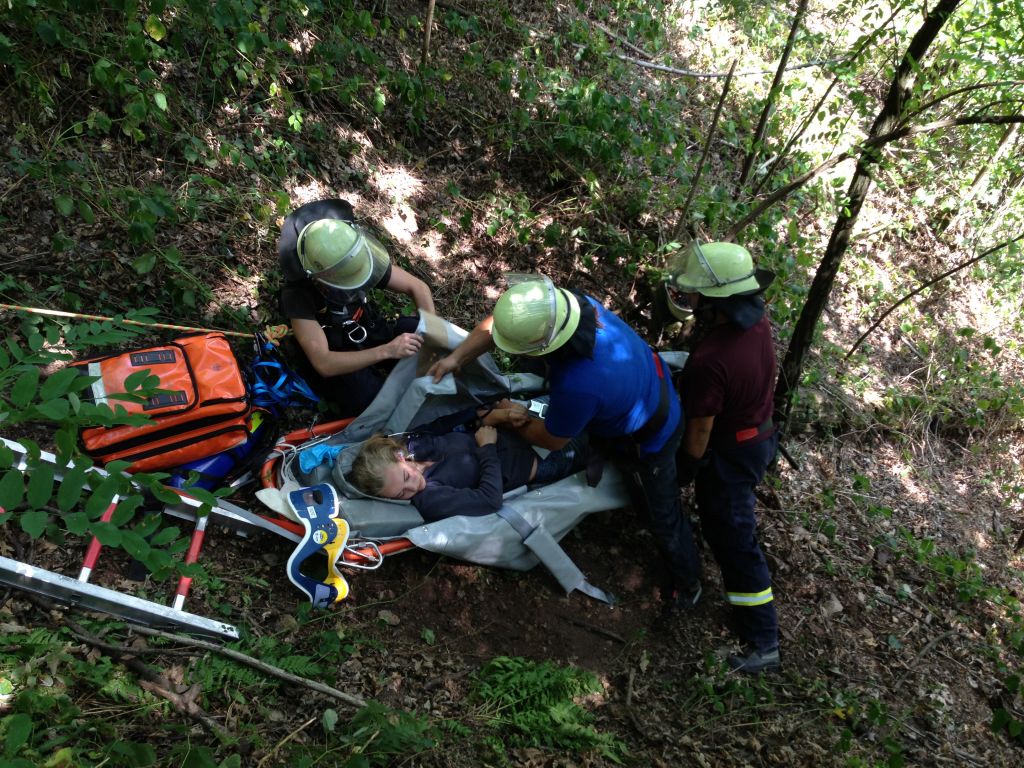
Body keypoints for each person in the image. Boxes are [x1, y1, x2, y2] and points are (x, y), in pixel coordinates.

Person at [426, 275, 702, 610]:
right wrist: (457, 357)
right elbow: (501, 324)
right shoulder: (567, 308)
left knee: (661, 512)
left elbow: (551, 440)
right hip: (645, 389)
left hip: (652, 435)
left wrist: (512, 418)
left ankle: (688, 585)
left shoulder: (580, 385)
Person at [667, 241, 781, 674]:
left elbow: (699, 432)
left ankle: (763, 641)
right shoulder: (756, 322)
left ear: (716, 300)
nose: (689, 298)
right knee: (729, 526)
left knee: (734, 537)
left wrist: (684, 469)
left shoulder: (711, 359)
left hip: (734, 452)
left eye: (696, 293)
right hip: (758, 435)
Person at [277, 198, 435, 416]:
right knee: (375, 403)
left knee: (418, 334)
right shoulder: (298, 295)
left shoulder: (354, 257)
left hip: (368, 330)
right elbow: (324, 362)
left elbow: (417, 287)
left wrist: (432, 334)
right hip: (338, 354)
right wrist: (387, 351)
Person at [348, 401, 587, 522]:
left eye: (406, 477)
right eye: (401, 494)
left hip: (519, 430)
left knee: (579, 409)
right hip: (539, 462)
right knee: (589, 435)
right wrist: (488, 449)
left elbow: (453, 423)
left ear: (399, 456)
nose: (412, 487)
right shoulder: (431, 500)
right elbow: (490, 500)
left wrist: (496, 415)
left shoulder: (415, 444)